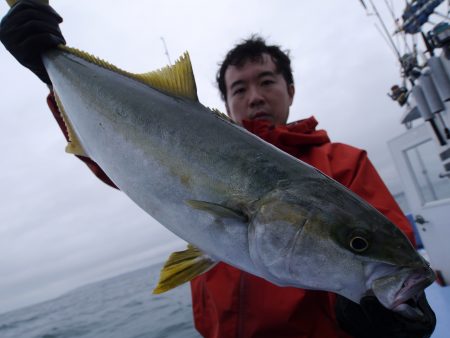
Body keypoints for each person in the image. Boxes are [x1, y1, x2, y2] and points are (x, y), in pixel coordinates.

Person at [0, 2, 436, 338]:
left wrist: (383, 316)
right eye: (239, 87)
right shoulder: (188, 140)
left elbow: (395, 247)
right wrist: (49, 68)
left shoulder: (343, 163)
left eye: (267, 81)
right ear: (225, 101)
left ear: (291, 88)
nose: (255, 96)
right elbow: (120, 164)